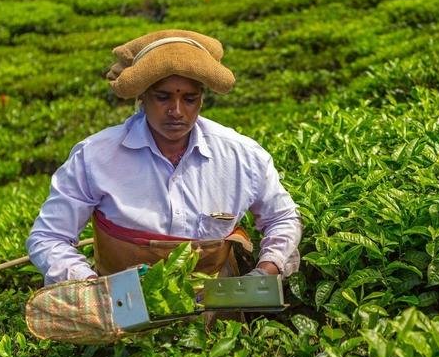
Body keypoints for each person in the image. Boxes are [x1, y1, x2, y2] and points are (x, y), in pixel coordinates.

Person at [26, 29, 302, 285]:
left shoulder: (242, 156)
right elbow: (49, 237)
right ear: (142, 98)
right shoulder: (95, 157)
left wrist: (267, 268)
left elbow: (283, 218)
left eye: (189, 99)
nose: (177, 110)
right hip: (124, 313)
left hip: (218, 313)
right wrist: (91, 286)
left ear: (202, 100)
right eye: (163, 97)